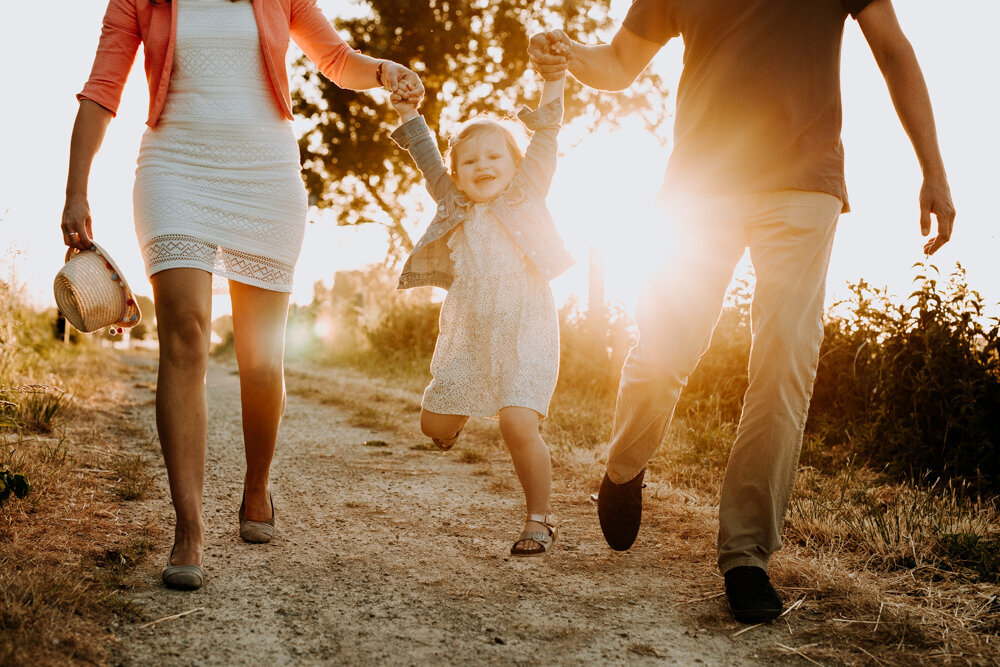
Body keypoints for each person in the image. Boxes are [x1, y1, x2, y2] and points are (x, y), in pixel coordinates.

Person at [528, 0, 955, 621]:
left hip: (805, 182)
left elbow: (894, 50)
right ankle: (625, 465)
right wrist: (568, 54)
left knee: (785, 361)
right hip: (702, 184)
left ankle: (746, 554)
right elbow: (620, 63)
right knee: (668, 347)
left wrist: (933, 170)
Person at [62, 0, 423, 591]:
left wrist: (385, 71)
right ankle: (189, 528)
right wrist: (76, 190)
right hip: (174, 168)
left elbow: (335, 59)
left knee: (260, 358)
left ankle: (257, 486)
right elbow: (103, 90)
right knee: (185, 336)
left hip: (265, 174)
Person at [388, 65, 574, 557]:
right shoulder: (455, 203)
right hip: (470, 334)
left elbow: (546, 138)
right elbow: (428, 158)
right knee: (433, 427)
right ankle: (459, 417)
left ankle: (539, 519)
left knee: (518, 423)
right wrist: (409, 112)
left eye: (495, 155)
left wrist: (552, 81)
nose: (482, 165)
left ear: (515, 165)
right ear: (457, 175)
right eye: (468, 160)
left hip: (527, 331)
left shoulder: (527, 194)